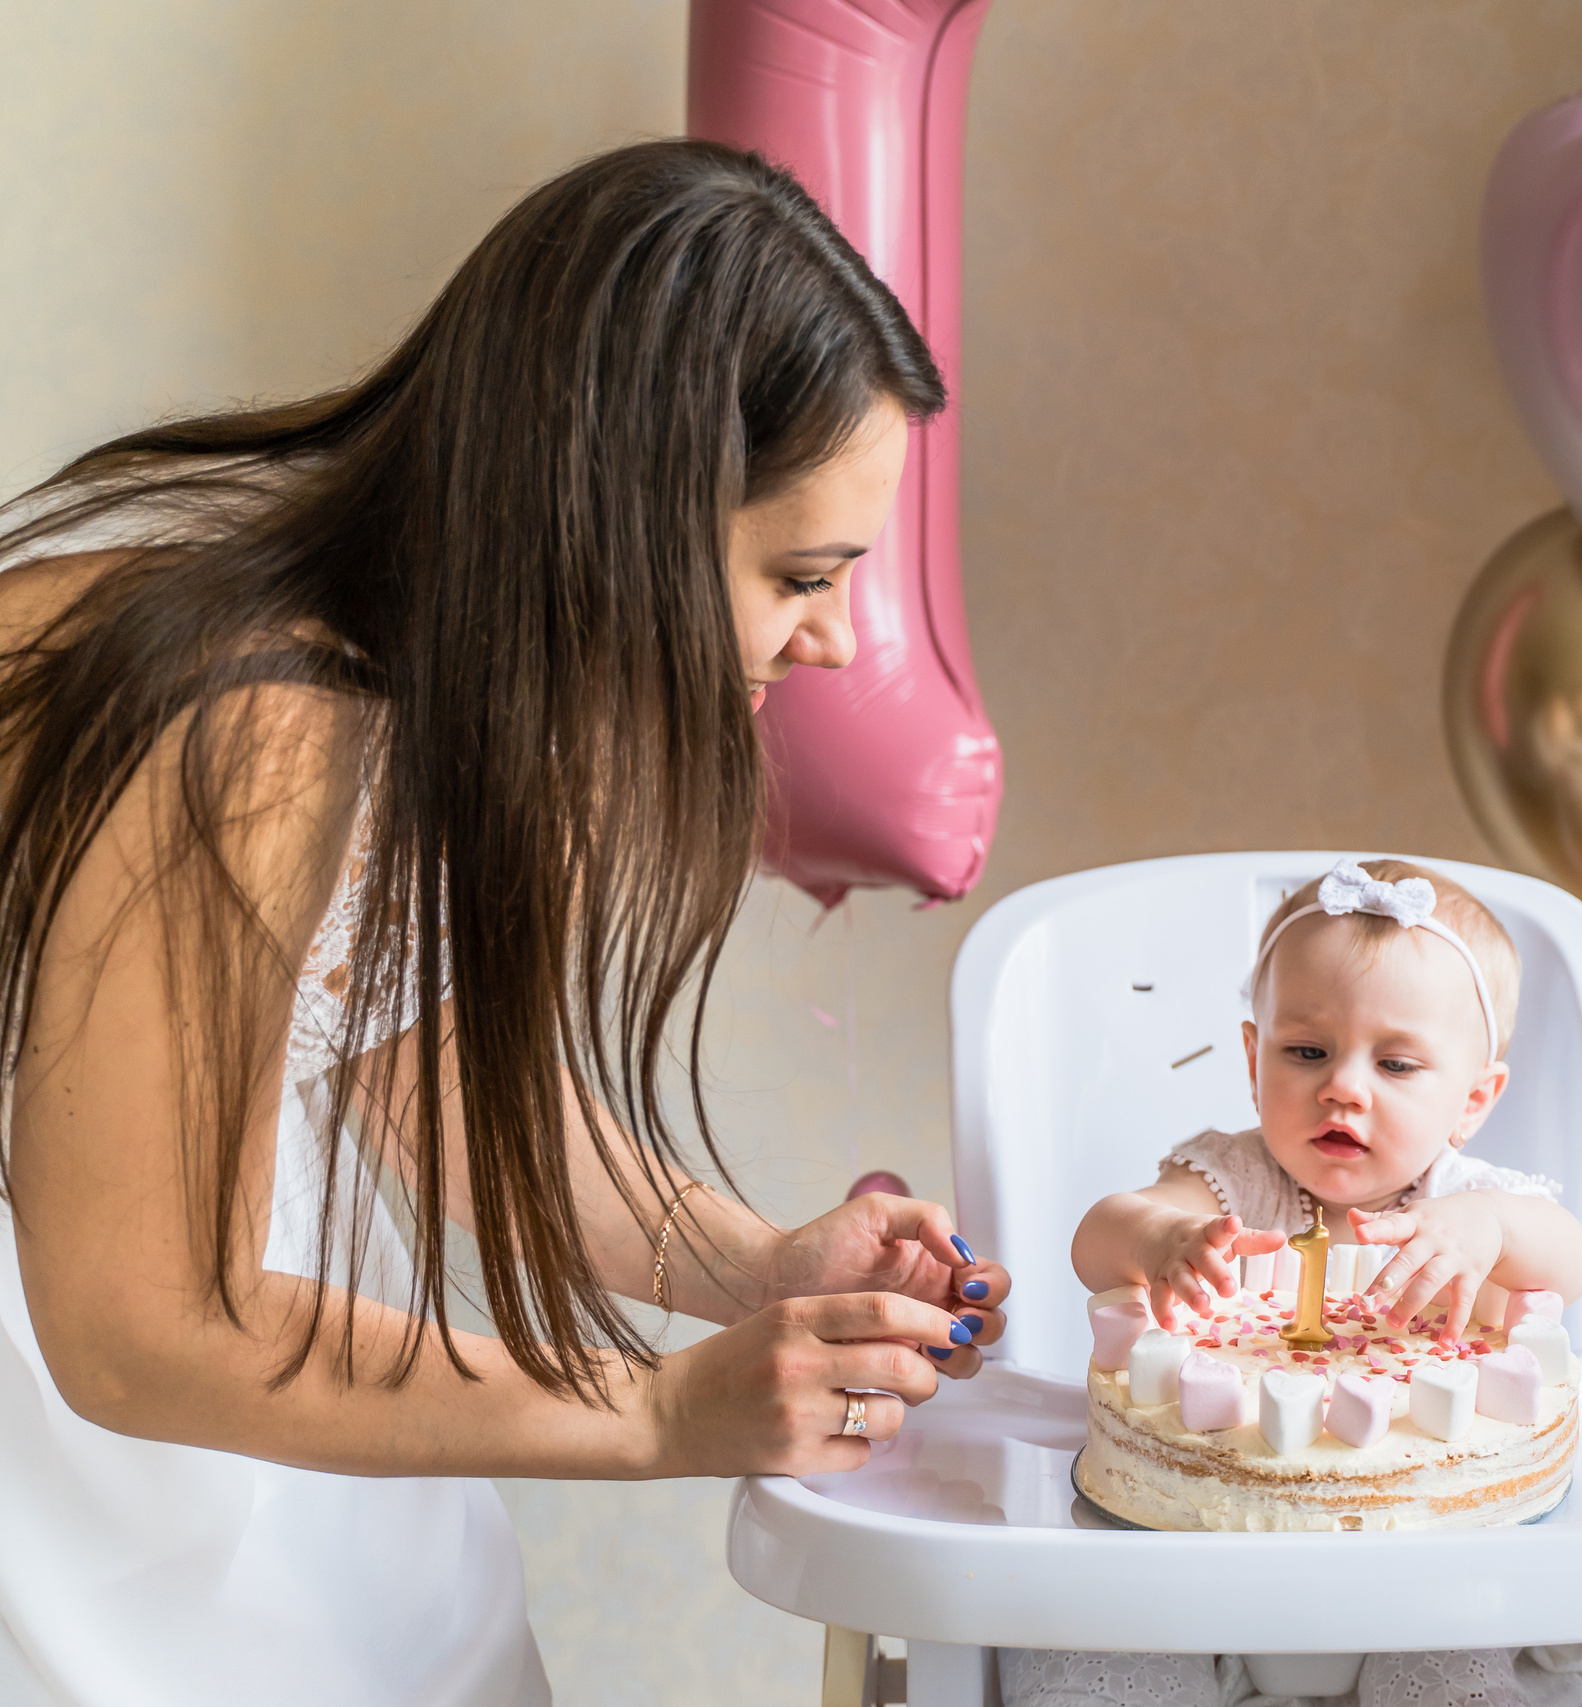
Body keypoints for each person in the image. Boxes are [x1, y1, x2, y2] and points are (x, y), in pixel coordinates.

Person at [0, 140, 1012, 1706]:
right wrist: (661, 1411)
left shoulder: (410, 681)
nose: (837, 640)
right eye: (803, 573)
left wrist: (754, 1263)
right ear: (619, 514)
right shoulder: (256, 718)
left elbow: (400, 1046)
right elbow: (139, 1326)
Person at [1007, 857, 1582, 1707]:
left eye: (1396, 1065)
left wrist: (1498, 1230)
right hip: (1206, 1565)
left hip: (1433, 1580)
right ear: (1254, 1057)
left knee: (1456, 1678)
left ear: (1474, 1098)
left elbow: (1573, 1261)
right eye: (1307, 1050)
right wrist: (1163, 1235)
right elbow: (1098, 1237)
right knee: (1094, 1661)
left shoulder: (1469, 1208)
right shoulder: (1229, 1179)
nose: (1343, 1087)